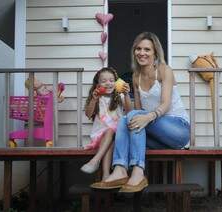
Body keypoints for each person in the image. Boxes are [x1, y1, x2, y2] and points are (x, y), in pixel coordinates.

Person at [91, 32, 190, 192]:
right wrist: (125, 95)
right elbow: (135, 112)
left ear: (155, 52)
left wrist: (147, 117)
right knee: (127, 119)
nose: (141, 53)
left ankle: (132, 170)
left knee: (131, 119)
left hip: (178, 129)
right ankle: (123, 171)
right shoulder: (136, 77)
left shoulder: (165, 70)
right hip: (156, 137)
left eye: (147, 49)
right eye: (138, 49)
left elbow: (165, 104)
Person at [80, 67, 131, 181]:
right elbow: (88, 114)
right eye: (104, 81)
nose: (108, 83)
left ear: (116, 82)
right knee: (109, 134)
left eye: (112, 80)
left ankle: (101, 169)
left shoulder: (119, 96)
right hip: (100, 135)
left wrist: (126, 95)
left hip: (118, 135)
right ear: (97, 84)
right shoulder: (97, 97)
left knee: (111, 134)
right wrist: (94, 99)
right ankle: (102, 170)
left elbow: (129, 111)